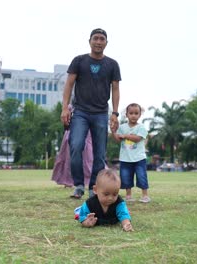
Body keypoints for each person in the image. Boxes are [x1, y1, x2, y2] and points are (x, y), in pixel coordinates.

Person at [61, 28, 121, 199]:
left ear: (106, 43)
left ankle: (93, 187)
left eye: (102, 39)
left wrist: (115, 113)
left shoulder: (112, 64)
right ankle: (79, 185)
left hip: (101, 113)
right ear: (89, 41)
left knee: (99, 153)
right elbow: (69, 85)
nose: (98, 41)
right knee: (76, 146)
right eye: (95, 38)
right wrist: (65, 108)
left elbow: (115, 89)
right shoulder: (79, 61)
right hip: (80, 112)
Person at [112, 103, 150, 203]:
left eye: (136, 113)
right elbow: (118, 139)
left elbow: (137, 139)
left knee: (141, 176)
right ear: (127, 114)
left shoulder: (141, 127)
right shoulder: (122, 127)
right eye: (131, 113)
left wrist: (125, 136)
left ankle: (145, 195)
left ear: (140, 115)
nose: (133, 115)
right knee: (125, 177)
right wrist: (113, 131)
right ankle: (128, 195)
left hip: (139, 158)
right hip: (125, 158)